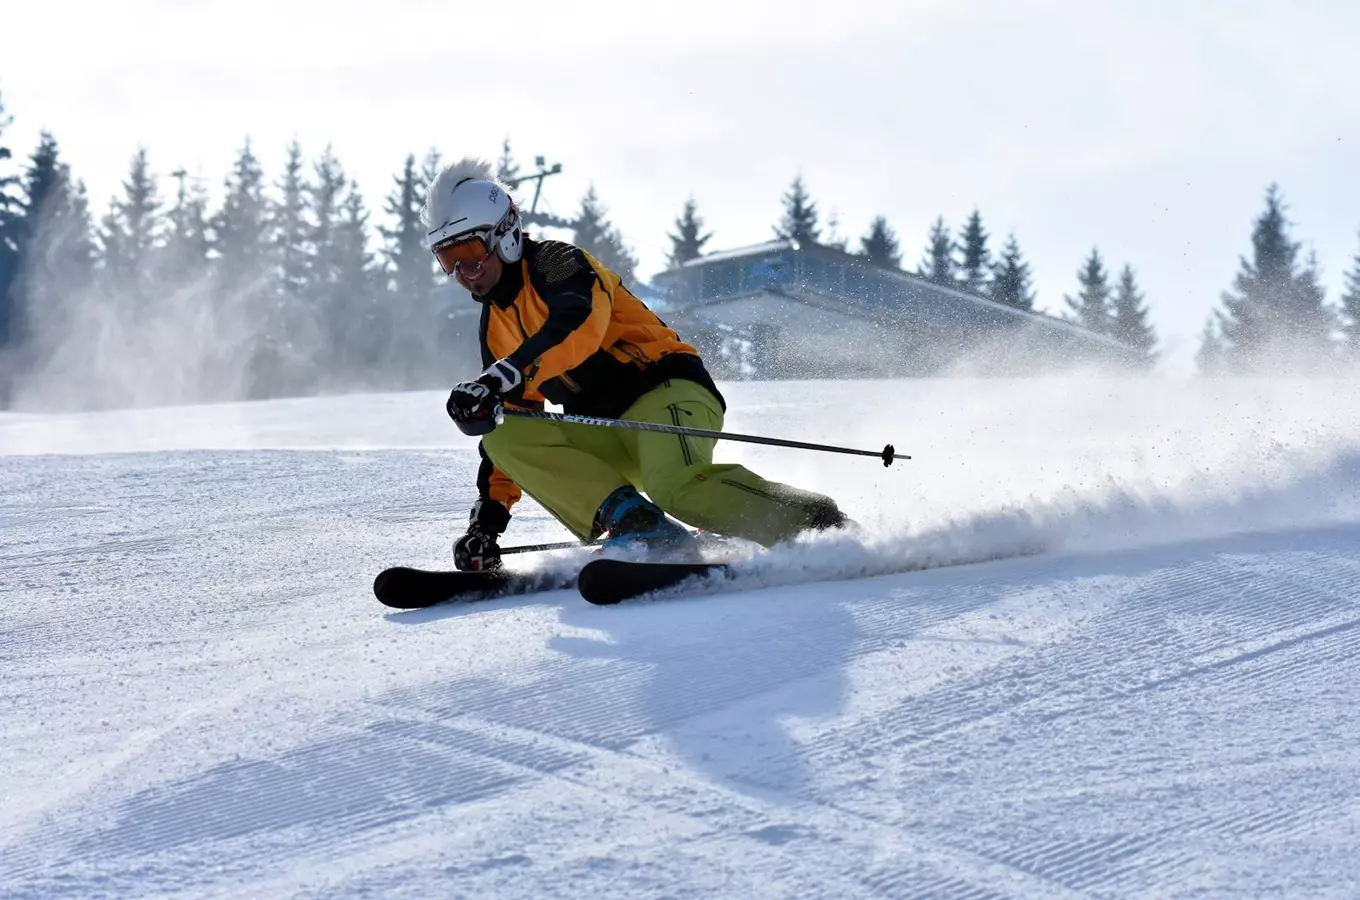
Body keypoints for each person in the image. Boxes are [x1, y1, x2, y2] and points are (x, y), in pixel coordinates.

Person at [423, 158, 847, 572]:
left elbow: (578, 324)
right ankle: (636, 524)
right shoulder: (495, 327)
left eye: (470, 253)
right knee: (505, 432)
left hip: (665, 393)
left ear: (506, 235)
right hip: (607, 431)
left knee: (676, 489)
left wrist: (507, 372)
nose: (463, 273)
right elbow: (514, 417)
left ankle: (819, 524)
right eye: (448, 261)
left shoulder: (557, 264)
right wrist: (487, 526)